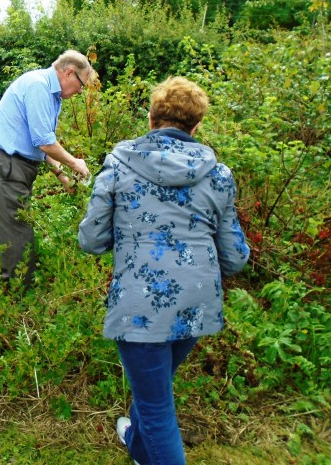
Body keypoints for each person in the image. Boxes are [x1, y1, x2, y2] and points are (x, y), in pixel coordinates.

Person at [77, 76, 250, 465]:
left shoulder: (118, 166)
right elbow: (235, 257)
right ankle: (139, 446)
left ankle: (148, 444)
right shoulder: (219, 175)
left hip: (141, 306)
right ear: (196, 126)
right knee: (153, 388)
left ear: (151, 119)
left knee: (156, 408)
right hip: (196, 305)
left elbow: (90, 239)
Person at [0, 49, 93, 290]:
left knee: (19, 231)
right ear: (69, 73)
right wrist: (75, 163)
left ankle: (18, 291)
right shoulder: (38, 86)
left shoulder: (52, 96)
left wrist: (62, 174)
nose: (80, 92)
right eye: (81, 85)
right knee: (18, 235)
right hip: (7, 166)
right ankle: (16, 297)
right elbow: (44, 142)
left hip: (16, 168)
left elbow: (41, 144)